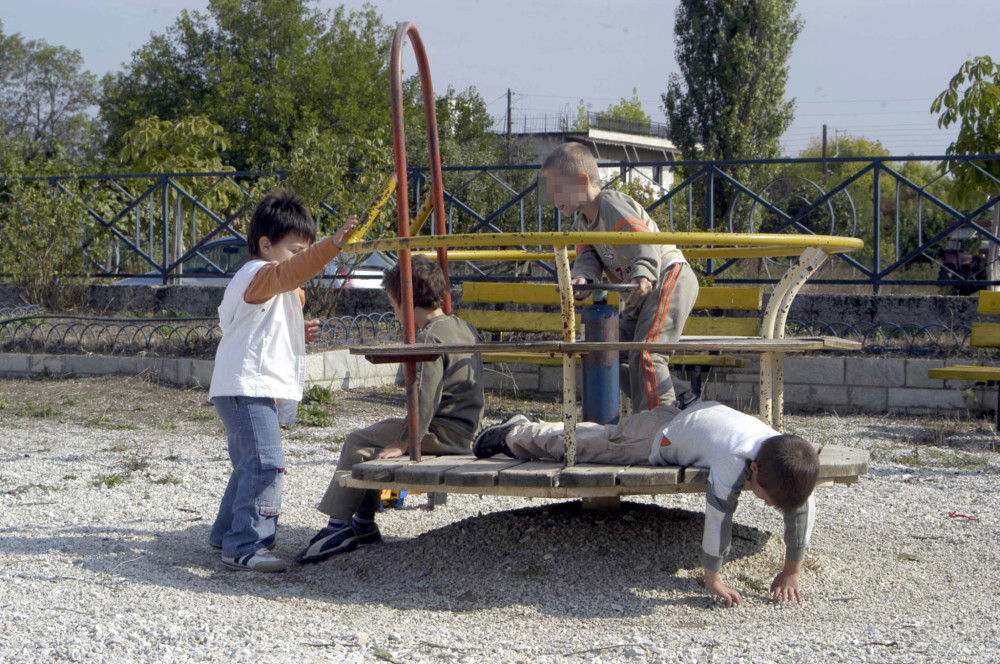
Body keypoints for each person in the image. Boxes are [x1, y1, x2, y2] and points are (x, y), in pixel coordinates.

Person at [472, 401, 820, 607]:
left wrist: (792, 571)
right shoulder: (735, 458)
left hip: (684, 418)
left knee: (599, 437)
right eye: (768, 500)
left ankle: (532, 430)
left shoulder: (785, 453)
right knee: (579, 447)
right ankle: (515, 433)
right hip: (655, 436)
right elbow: (718, 517)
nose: (770, 506)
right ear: (755, 469)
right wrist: (712, 578)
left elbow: (802, 506)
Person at [297, 255, 485, 564]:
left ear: (405, 300)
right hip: (464, 430)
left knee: (357, 439)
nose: (395, 313)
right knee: (367, 452)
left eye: (393, 304)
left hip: (440, 434)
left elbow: (425, 396)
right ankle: (363, 523)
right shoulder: (462, 327)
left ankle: (337, 528)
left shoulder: (429, 338)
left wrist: (404, 442)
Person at [208, 189, 358, 573]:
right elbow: (291, 272)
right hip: (247, 387)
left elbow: (261, 325)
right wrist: (330, 247)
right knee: (266, 464)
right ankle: (246, 544)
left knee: (249, 463)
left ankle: (226, 533)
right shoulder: (258, 273)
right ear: (265, 245)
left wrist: (296, 329)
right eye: (295, 249)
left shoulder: (266, 285)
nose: (300, 259)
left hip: (246, 387)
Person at [539, 142, 700, 411]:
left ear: (581, 182)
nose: (552, 198)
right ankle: (682, 399)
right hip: (639, 294)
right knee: (609, 353)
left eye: (556, 189)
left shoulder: (611, 203)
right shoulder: (582, 222)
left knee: (648, 354)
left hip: (667, 277)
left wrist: (645, 273)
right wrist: (583, 280)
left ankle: (662, 425)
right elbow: (588, 258)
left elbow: (644, 240)